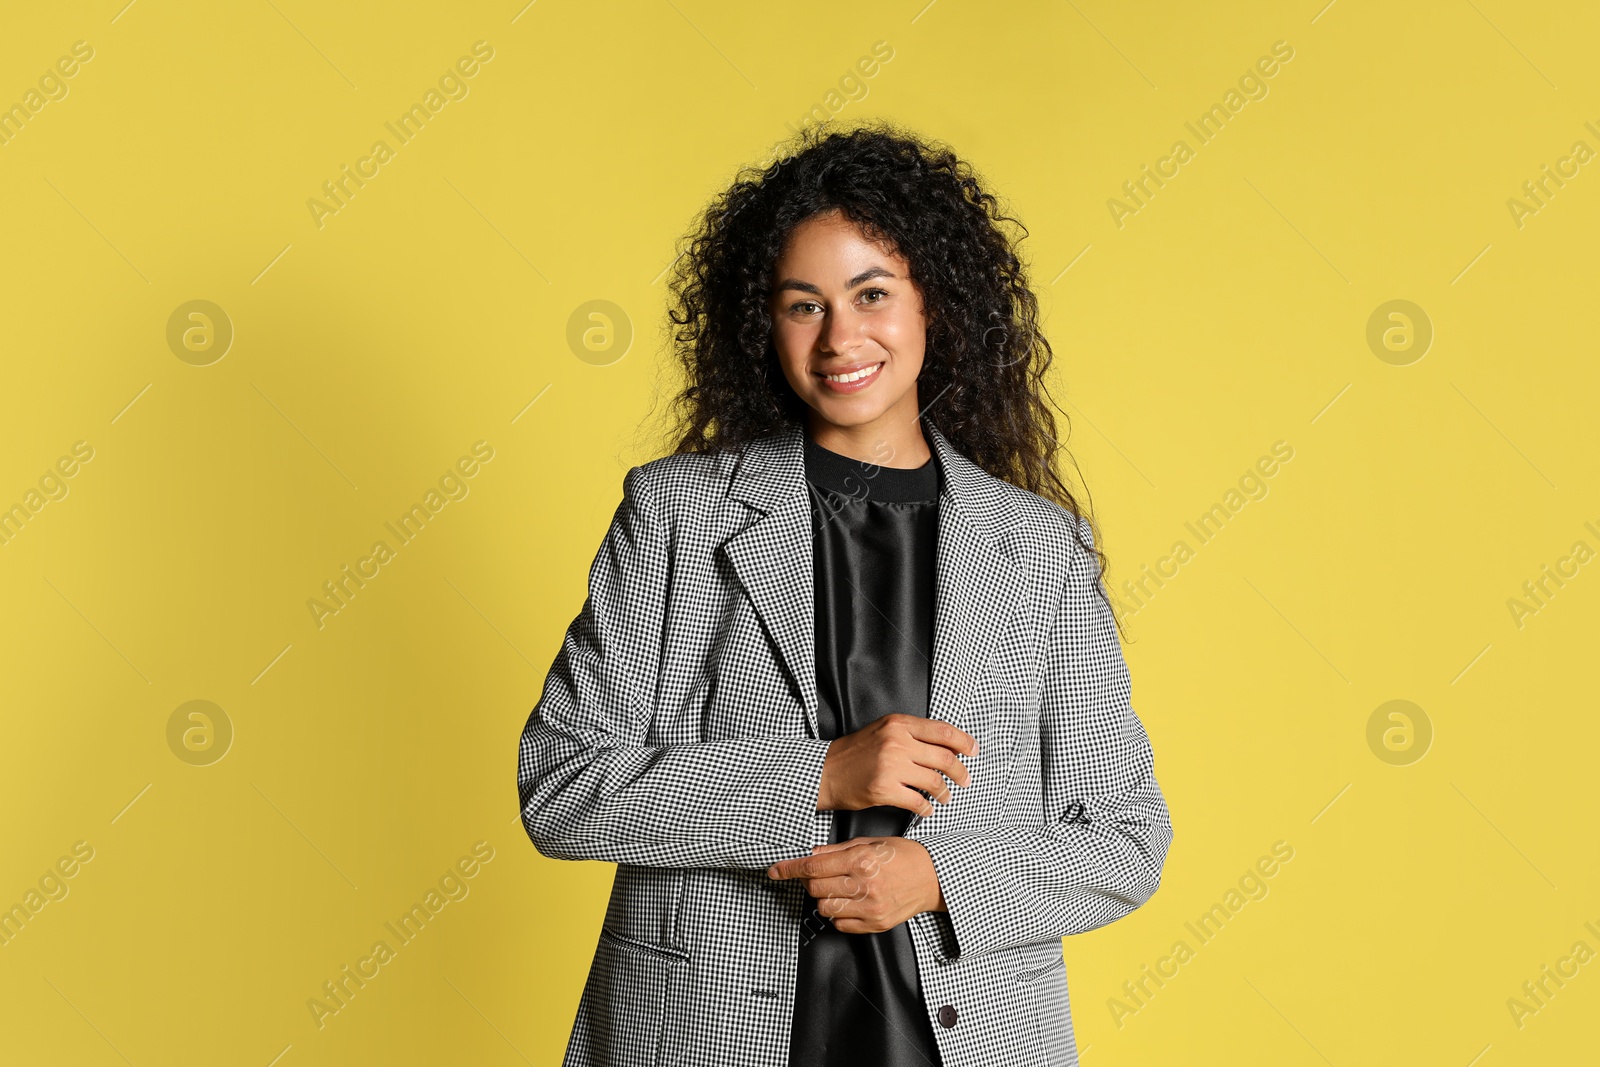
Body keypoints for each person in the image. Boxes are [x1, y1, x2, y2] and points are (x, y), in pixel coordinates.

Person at [518, 119, 1173, 1067]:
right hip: (703, 1030)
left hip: (972, 1039)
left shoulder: (1040, 551)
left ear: (933, 308)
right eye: (802, 304)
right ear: (764, 325)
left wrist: (942, 877)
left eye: (872, 294)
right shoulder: (675, 514)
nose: (840, 337)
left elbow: (1124, 836)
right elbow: (563, 786)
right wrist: (819, 776)